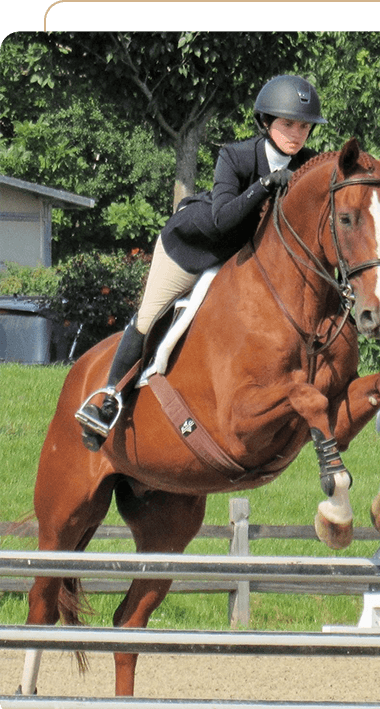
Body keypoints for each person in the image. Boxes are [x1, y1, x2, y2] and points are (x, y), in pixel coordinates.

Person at [76, 75, 327, 451]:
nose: (297, 134)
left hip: (242, 261)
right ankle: (108, 398)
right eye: (288, 124)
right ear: (265, 122)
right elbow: (222, 219)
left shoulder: (308, 165)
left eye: (304, 126)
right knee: (149, 317)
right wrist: (265, 184)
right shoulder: (237, 156)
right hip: (193, 249)